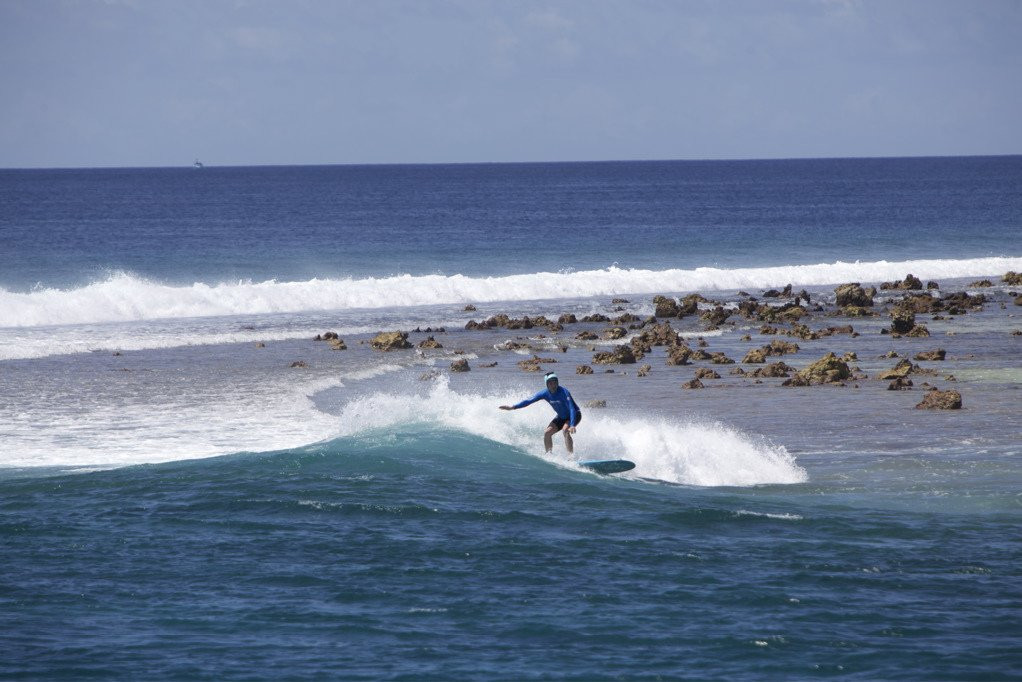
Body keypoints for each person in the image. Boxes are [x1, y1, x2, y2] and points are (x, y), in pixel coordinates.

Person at [500, 372, 582, 454]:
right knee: (547, 433)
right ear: (546, 384)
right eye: (550, 382)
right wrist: (513, 407)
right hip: (561, 416)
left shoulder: (564, 392)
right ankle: (549, 454)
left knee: (565, 430)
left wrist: (572, 425)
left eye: (555, 382)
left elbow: (572, 408)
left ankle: (570, 457)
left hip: (575, 414)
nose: (553, 385)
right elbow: (529, 401)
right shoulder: (544, 393)